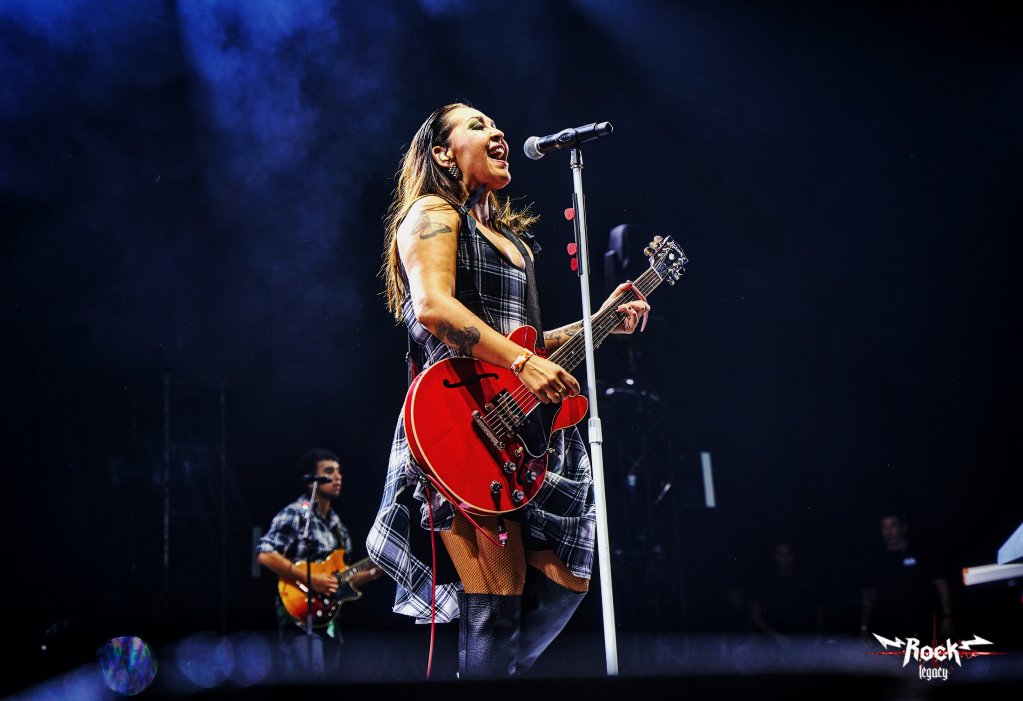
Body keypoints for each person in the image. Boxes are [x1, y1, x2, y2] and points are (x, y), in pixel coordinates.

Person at [367, 102, 651, 678]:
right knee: (496, 604)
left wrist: (600, 321)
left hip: (520, 428)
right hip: (459, 420)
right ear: (443, 153)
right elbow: (433, 307)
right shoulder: (432, 212)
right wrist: (523, 361)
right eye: (477, 126)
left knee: (568, 582)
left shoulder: (512, 242)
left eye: (495, 124)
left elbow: (527, 341)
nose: (496, 132)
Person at [256, 448, 380, 678]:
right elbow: (265, 554)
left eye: (339, 472)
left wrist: (374, 571)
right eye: (329, 472)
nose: (337, 477)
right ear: (311, 481)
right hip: (299, 615)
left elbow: (342, 578)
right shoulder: (295, 513)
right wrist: (311, 579)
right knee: (308, 679)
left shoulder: (339, 526)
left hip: (331, 621)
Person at [860, 510, 953, 641]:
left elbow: (941, 584)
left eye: (893, 525)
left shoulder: (921, 552)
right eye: (884, 526)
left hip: (923, 627)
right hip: (890, 629)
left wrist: (948, 616)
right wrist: (864, 626)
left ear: (903, 527)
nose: (889, 532)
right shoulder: (877, 559)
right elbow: (869, 595)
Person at [748, 541, 824, 648]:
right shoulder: (766, 583)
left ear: (793, 557)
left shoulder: (804, 581)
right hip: (772, 644)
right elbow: (755, 615)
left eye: (788, 554)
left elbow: (817, 610)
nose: (785, 558)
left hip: (802, 642)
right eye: (781, 555)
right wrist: (775, 636)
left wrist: (818, 637)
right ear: (775, 557)